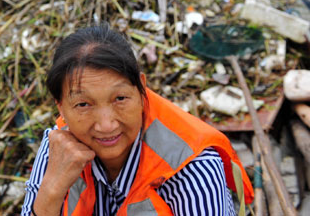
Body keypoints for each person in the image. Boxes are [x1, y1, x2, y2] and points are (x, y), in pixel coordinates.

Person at [22, 25, 253, 216]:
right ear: (60, 106)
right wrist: (51, 191)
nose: (106, 125)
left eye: (120, 98)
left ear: (142, 89)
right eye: (83, 104)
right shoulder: (58, 148)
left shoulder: (193, 169)